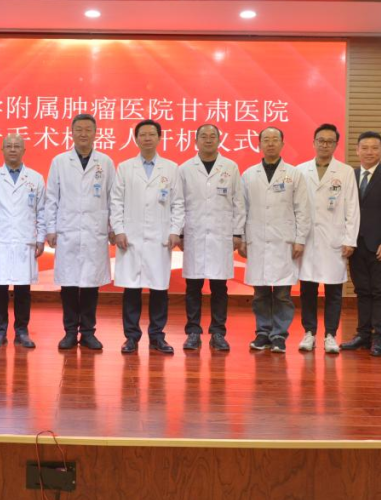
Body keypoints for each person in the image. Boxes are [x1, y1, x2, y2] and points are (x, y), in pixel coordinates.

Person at [44, 114, 116, 351]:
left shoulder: (105, 162)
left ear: (95, 133)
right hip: (68, 230)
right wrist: (51, 228)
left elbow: (113, 197)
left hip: (95, 230)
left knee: (90, 285)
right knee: (69, 284)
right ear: (72, 132)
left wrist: (113, 227)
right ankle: (69, 332)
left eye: (88, 130)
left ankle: (88, 332)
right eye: (79, 129)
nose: (83, 134)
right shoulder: (59, 161)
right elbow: (52, 197)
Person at [111, 120, 184, 355]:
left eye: (152, 134)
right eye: (143, 135)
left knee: (159, 289)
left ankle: (157, 336)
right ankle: (131, 337)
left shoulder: (171, 168)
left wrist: (175, 230)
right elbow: (116, 202)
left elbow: (178, 203)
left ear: (160, 138)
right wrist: (119, 230)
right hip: (130, 238)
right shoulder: (125, 167)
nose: (147, 138)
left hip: (159, 237)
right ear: (136, 139)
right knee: (131, 290)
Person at [242, 127, 311, 355]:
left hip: (284, 242)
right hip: (257, 241)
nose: (270, 143)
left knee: (282, 294)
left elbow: (302, 209)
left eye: (275, 140)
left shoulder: (294, 174)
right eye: (266, 140)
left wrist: (300, 239)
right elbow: (242, 209)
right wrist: (242, 239)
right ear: (259, 144)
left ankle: (279, 335)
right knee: (260, 293)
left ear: (282, 144)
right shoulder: (249, 175)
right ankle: (262, 332)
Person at [177, 124, 244, 352]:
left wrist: (237, 233)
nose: (208, 140)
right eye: (203, 136)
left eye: (212, 136)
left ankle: (218, 332)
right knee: (193, 287)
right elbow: (179, 204)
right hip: (193, 234)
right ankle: (193, 332)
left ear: (219, 140)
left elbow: (238, 202)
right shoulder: (185, 169)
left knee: (219, 287)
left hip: (221, 235)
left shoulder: (230, 167)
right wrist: (180, 233)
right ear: (195, 141)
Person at [0, 134, 46, 349]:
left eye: (17, 146)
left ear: (24, 150)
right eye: (9, 146)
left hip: (25, 240)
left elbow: (42, 212)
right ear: (2, 150)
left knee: (23, 290)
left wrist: (40, 238)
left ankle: (22, 331)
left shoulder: (35, 178)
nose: (13, 149)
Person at [297, 123, 360, 355]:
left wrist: (350, 239)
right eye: (321, 141)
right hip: (307, 239)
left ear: (336, 144)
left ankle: (331, 334)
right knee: (308, 288)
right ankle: (309, 332)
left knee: (334, 290)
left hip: (335, 238)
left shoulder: (345, 172)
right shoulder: (300, 170)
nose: (324, 145)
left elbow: (352, 207)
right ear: (313, 143)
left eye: (329, 141)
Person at [342, 131, 381, 358]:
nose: (369, 152)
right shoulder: (349, 175)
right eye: (365, 148)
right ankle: (363, 335)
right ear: (357, 150)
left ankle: (378, 337)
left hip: (380, 247)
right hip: (355, 245)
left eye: (374, 147)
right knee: (362, 291)